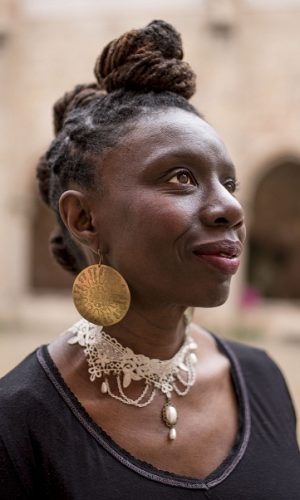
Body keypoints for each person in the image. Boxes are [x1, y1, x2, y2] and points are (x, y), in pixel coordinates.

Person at [0, 20, 299, 500]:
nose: (232, 208)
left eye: (230, 184)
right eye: (181, 178)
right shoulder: (19, 423)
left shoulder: (264, 380)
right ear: (84, 219)